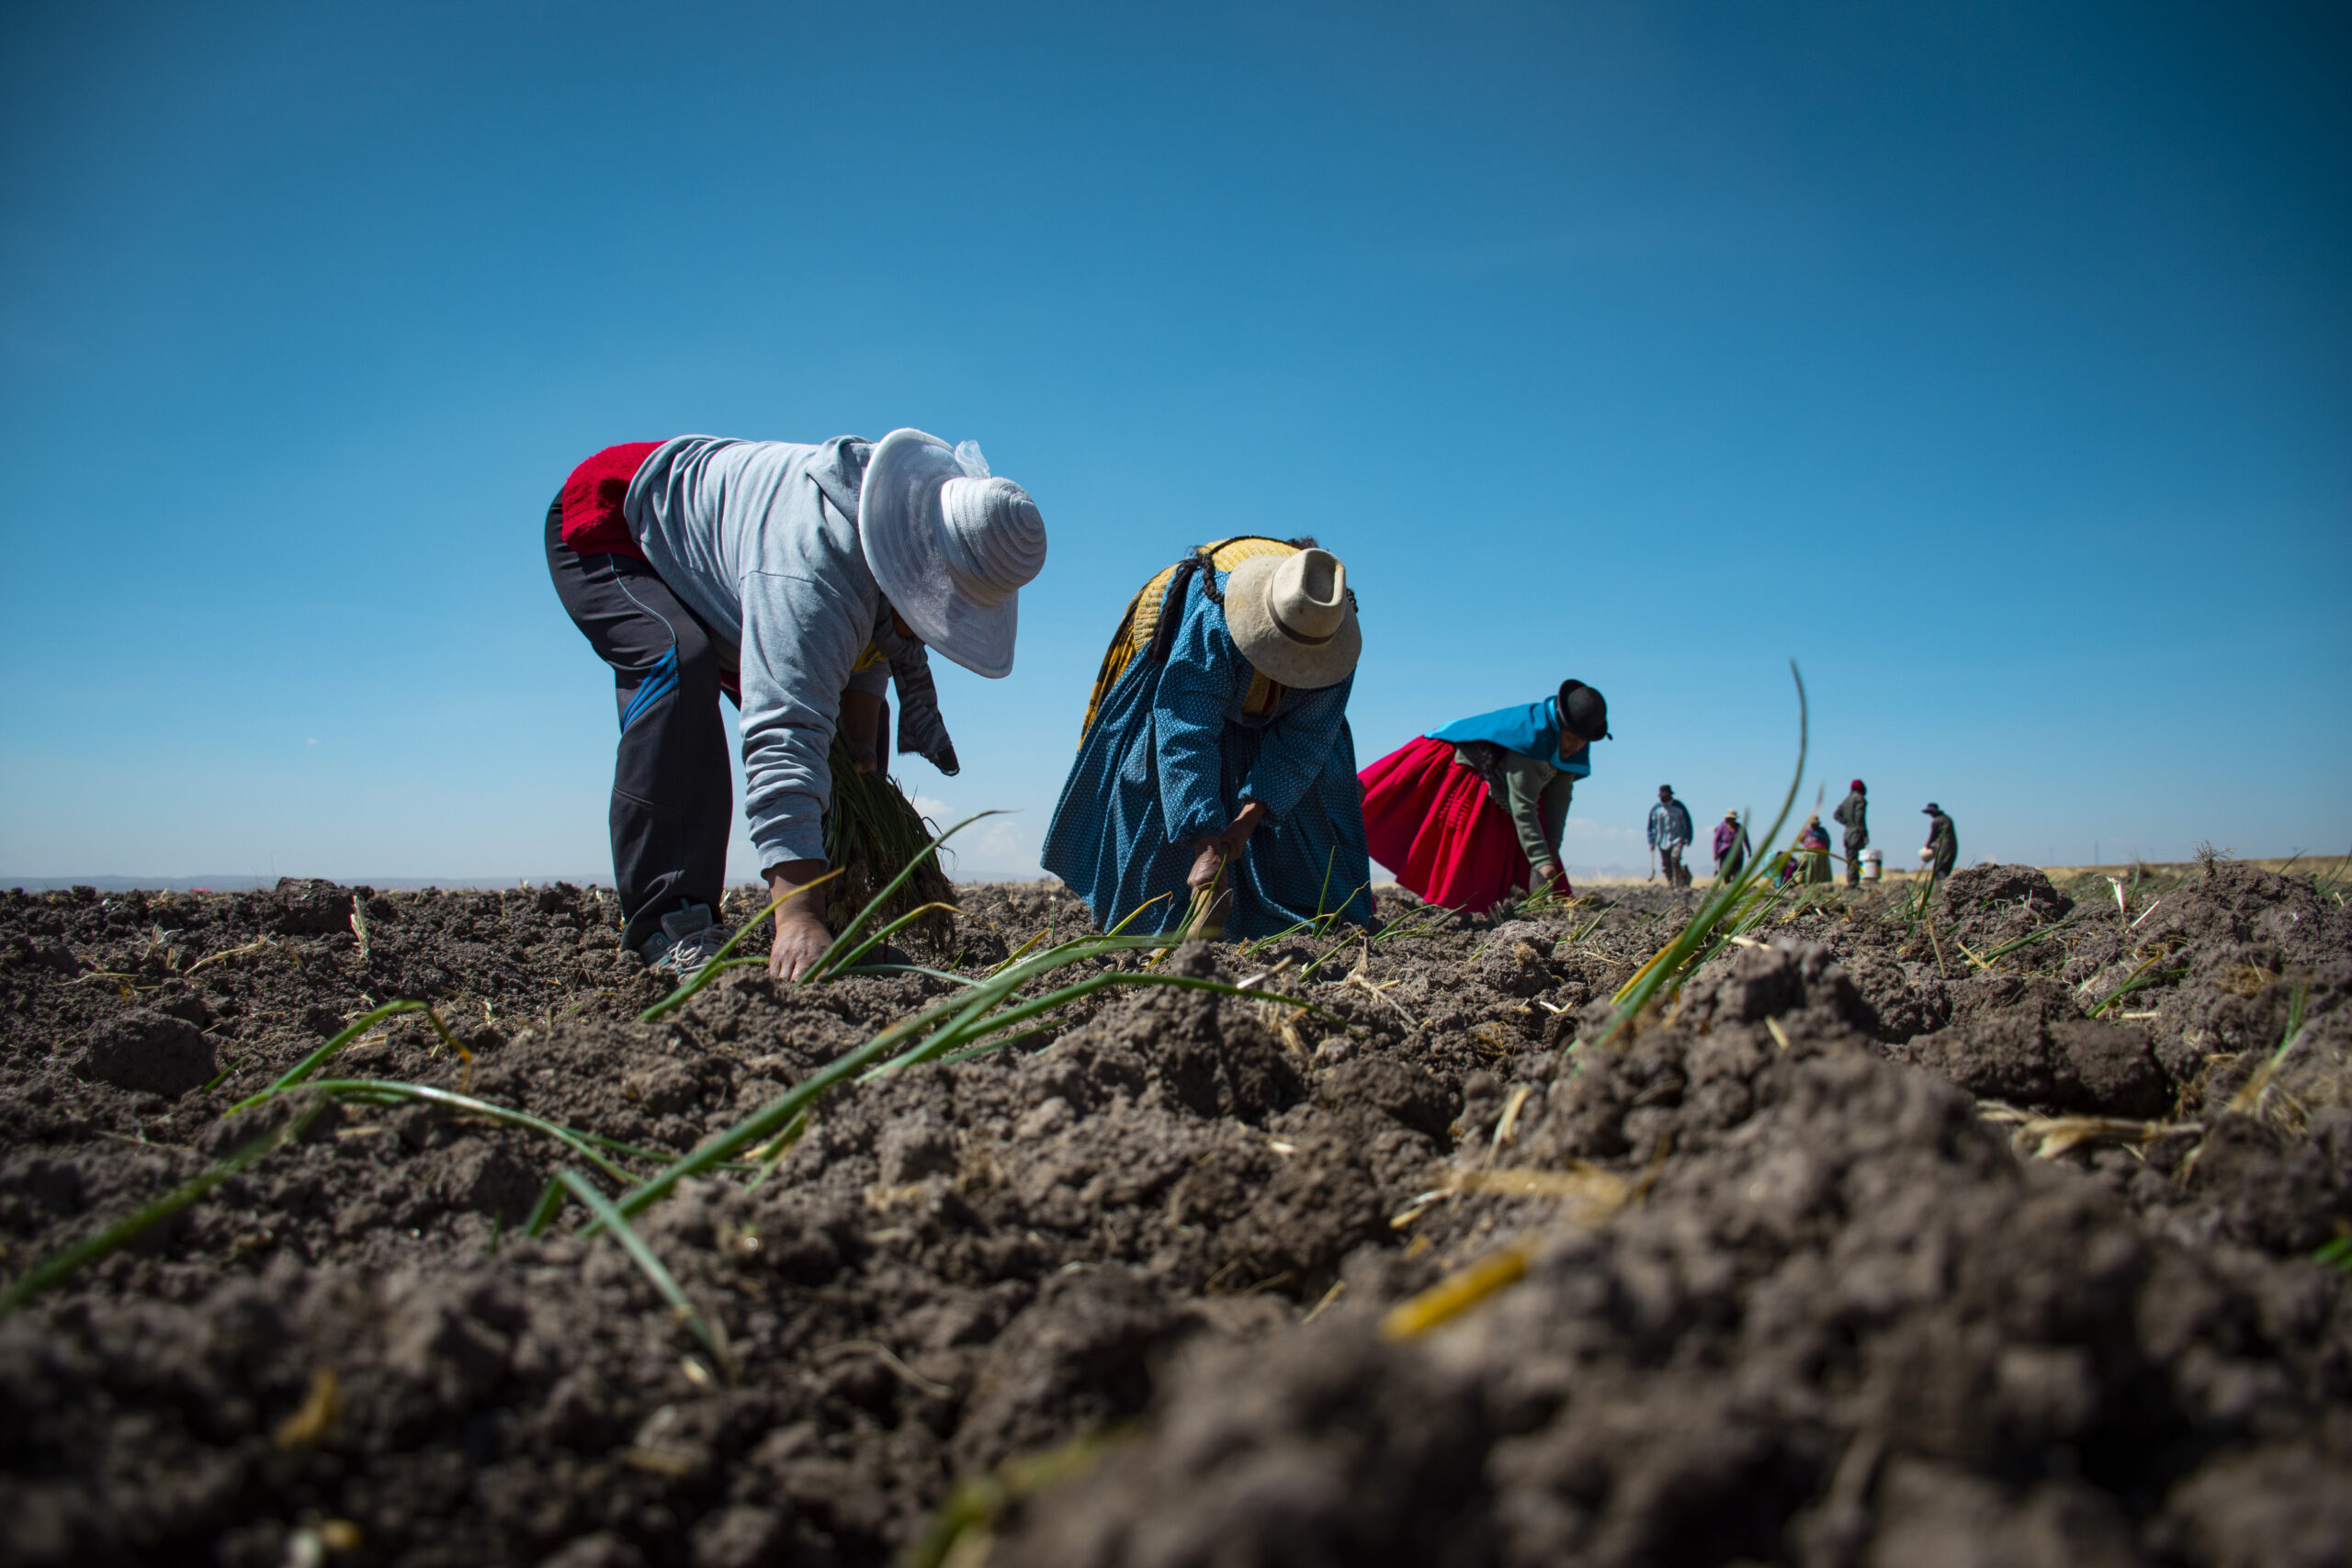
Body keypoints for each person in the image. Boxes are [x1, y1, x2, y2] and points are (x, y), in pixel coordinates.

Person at [548, 431, 1046, 978]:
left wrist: (857, 748)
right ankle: (671, 922)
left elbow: (872, 642)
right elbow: (783, 733)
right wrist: (797, 916)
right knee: (677, 663)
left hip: (750, 569)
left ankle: (839, 913)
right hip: (622, 522)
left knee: (846, 736)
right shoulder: (810, 569)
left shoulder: (885, 544)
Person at [1041, 537, 1372, 939]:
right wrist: (1208, 845)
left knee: (1316, 791)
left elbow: (1303, 744)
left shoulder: (1333, 643)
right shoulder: (1216, 619)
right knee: (1154, 783)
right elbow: (1186, 733)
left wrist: (1245, 824)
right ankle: (1151, 919)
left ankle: (1284, 913)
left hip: (1280, 711)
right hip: (1181, 676)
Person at [1359, 680, 1611, 910]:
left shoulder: (1575, 744)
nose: (1576, 747)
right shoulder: (1531, 738)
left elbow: (1558, 803)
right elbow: (1523, 805)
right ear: (1559, 726)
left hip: (1504, 782)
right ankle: (1464, 907)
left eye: (1583, 742)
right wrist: (1542, 862)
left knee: (1535, 843)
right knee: (1478, 855)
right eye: (1572, 739)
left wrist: (1551, 855)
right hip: (1469, 769)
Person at [1649, 785, 1694, 887]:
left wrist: (1688, 837)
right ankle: (1671, 884)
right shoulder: (1656, 809)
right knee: (1666, 865)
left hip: (1677, 838)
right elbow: (1651, 827)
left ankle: (1677, 883)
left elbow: (1687, 823)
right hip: (1662, 840)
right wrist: (1651, 841)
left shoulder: (1679, 807)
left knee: (1675, 858)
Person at [1831, 779, 1869, 887]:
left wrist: (1847, 823)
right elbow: (1861, 818)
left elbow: (1836, 815)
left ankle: (1851, 882)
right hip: (1856, 833)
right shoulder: (1860, 799)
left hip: (1848, 833)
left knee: (1850, 858)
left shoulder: (1846, 801)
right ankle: (1853, 884)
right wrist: (1864, 834)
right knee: (1855, 859)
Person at [1922, 802, 1959, 878]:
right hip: (1953, 846)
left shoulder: (1936, 821)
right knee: (1947, 868)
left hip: (1944, 847)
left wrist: (1927, 845)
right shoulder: (1948, 818)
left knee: (1939, 869)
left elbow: (1933, 836)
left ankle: (1942, 887)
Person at [1712, 809, 1750, 880]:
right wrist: (1715, 852)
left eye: (1733, 819)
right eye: (1730, 819)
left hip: (1738, 854)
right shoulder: (1722, 827)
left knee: (1737, 874)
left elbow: (1746, 840)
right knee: (1725, 873)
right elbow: (1716, 840)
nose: (1731, 820)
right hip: (1725, 853)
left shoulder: (1740, 828)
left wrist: (1749, 851)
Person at [1795, 814, 1834, 884]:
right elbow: (1799, 839)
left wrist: (1827, 850)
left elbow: (1827, 841)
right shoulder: (1806, 831)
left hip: (1820, 855)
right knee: (1808, 870)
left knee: (1820, 872)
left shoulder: (1822, 831)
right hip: (1808, 854)